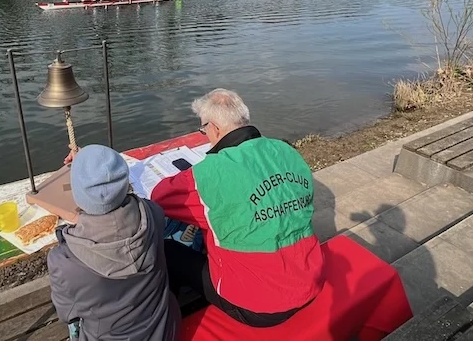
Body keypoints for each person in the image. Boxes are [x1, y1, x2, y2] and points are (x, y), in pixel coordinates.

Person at [151, 88, 324, 328]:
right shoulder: (286, 150)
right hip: (310, 279)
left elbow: (159, 196)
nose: (205, 135)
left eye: (203, 130)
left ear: (214, 128)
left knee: (168, 249)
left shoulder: (212, 173)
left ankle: (171, 314)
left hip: (258, 307)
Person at [49, 145, 181, 341]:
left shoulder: (63, 261)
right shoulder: (153, 213)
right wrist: (90, 163)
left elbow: (67, 314)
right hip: (165, 332)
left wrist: (84, 169)